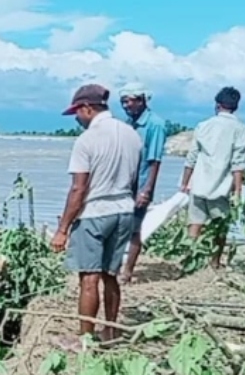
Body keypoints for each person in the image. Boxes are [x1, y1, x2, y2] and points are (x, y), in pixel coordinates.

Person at [50, 84, 142, 346]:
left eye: (77, 113)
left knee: (89, 278)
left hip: (94, 212)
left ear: (87, 109)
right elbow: (134, 180)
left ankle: (85, 338)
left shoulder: (86, 140)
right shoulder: (131, 135)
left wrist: (63, 229)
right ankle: (110, 331)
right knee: (110, 275)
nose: (77, 119)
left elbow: (79, 188)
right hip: (124, 209)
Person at [179, 87, 245, 268]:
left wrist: (184, 183)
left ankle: (190, 259)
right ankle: (215, 262)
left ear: (217, 105)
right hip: (221, 186)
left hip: (199, 183)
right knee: (220, 226)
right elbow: (238, 163)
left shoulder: (204, 125)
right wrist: (238, 190)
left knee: (195, 223)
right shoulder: (240, 129)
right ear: (235, 107)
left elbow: (192, 158)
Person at [117, 82, 167, 284]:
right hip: (124, 183)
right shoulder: (129, 122)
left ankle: (128, 271)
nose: (127, 105)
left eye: (130, 101)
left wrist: (147, 190)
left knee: (135, 228)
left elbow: (155, 160)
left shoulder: (155, 124)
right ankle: (116, 266)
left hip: (142, 183)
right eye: (123, 102)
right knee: (119, 226)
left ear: (142, 100)